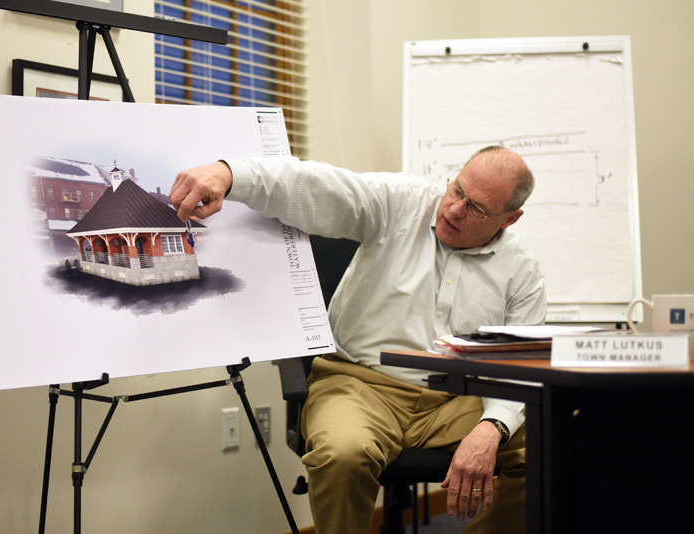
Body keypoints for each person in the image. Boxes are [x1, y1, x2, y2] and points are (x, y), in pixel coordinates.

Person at [170, 146, 546, 534]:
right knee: (342, 453)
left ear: (510, 218)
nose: (454, 209)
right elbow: (319, 186)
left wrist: (493, 427)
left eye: (477, 209)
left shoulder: (522, 270)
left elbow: (522, 365)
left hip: (456, 399)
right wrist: (229, 174)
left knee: (548, 443)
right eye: (457, 191)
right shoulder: (402, 202)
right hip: (360, 384)